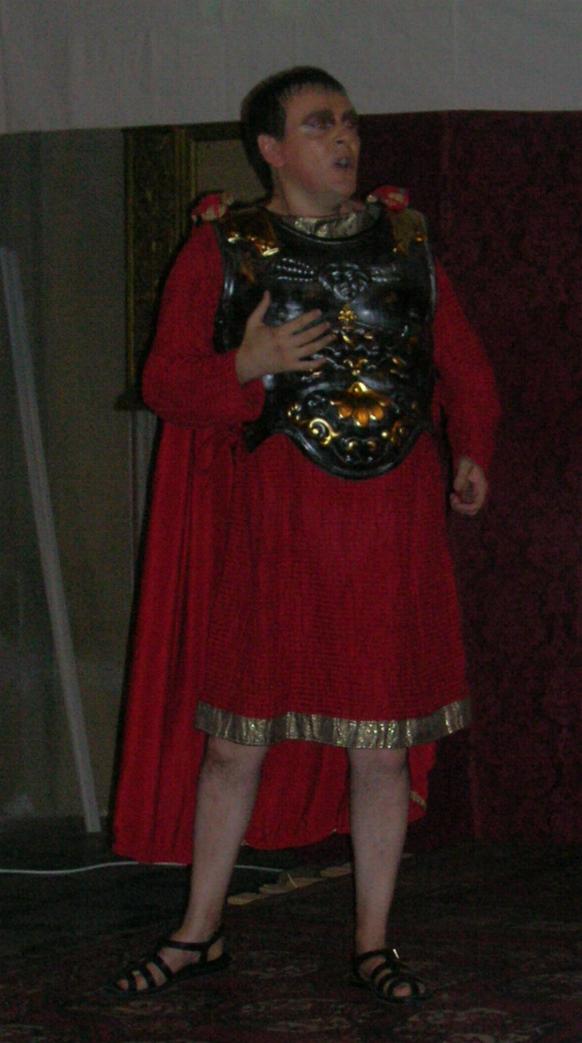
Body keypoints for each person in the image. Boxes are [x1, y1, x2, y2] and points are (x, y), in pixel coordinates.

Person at [110, 67, 500, 1004]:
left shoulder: (406, 240)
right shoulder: (224, 247)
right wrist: (246, 362)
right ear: (272, 150)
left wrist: (472, 449)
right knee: (237, 741)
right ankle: (199, 930)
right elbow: (164, 381)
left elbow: (464, 366)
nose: (344, 137)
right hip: (276, 527)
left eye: (349, 122)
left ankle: (373, 940)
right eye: (320, 124)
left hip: (389, 524)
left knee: (382, 745)